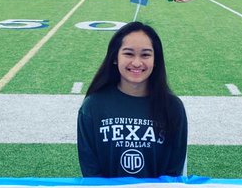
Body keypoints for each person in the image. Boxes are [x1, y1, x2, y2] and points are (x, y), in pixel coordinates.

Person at [77, 22, 188, 178]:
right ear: (115, 58)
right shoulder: (93, 106)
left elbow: (173, 170)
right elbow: (90, 169)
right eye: (129, 54)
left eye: (145, 55)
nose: (137, 62)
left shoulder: (173, 107)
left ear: (155, 60)